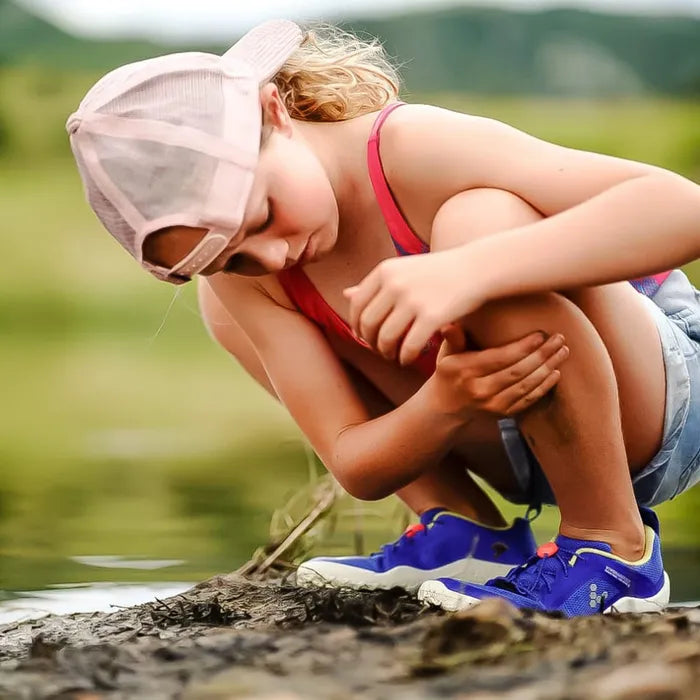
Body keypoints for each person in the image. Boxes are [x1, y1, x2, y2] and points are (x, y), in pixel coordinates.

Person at [66, 19, 700, 617]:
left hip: (661, 394)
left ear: (274, 113)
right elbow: (356, 463)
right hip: (519, 434)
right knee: (229, 307)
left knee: (476, 223)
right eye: (230, 258)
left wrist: (471, 270)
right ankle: (469, 535)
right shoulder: (257, 277)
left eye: (260, 217)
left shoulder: (409, 149)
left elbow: (683, 210)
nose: (272, 255)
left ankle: (614, 549)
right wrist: (445, 402)